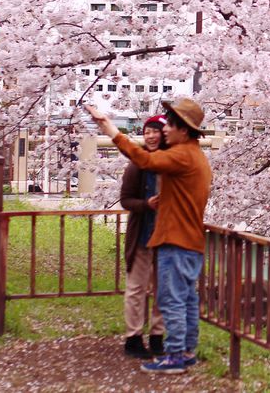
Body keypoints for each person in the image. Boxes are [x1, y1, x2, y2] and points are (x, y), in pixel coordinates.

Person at [85, 98, 212, 375]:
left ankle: (176, 355)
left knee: (171, 300)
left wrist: (110, 129)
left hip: (175, 241)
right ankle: (187, 351)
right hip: (191, 241)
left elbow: (143, 159)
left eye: (171, 125)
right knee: (186, 299)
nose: (165, 129)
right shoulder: (195, 156)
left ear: (185, 130)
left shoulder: (181, 155)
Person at [119, 114, 167, 359]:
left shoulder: (172, 162)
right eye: (147, 131)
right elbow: (126, 199)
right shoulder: (136, 165)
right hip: (142, 234)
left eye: (155, 131)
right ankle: (133, 337)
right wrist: (146, 204)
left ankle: (158, 336)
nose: (150, 136)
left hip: (167, 236)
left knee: (163, 289)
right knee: (136, 288)